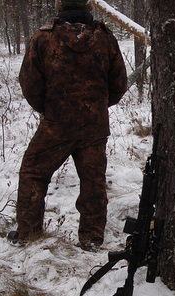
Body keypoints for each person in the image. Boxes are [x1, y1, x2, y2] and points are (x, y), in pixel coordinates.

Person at [8, 0, 127, 252]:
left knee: (33, 172)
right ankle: (91, 238)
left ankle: (28, 232)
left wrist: (48, 109)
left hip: (57, 125)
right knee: (93, 181)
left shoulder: (44, 38)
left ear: (59, 5)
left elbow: (29, 82)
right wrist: (97, 107)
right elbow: (118, 84)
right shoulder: (104, 39)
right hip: (93, 126)